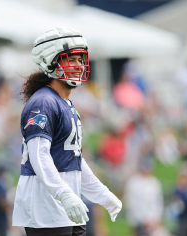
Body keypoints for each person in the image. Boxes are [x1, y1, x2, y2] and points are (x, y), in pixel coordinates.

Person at [12, 27, 122, 236]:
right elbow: (39, 156)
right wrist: (64, 194)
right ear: (51, 61)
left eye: (81, 60)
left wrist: (102, 194)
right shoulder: (44, 102)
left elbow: (74, 160)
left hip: (67, 202)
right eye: (72, 59)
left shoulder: (66, 103)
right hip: (45, 205)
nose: (79, 66)